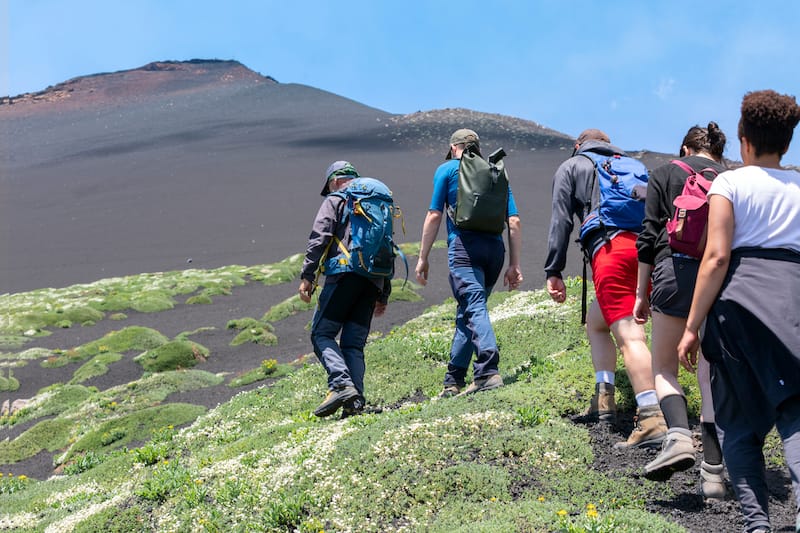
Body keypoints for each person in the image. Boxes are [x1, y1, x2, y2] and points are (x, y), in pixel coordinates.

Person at [677, 90, 800, 533]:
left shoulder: (728, 183)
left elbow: (716, 257)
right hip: (792, 300)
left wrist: (691, 327)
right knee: (795, 409)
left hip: (738, 305)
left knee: (737, 422)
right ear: (786, 143)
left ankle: (757, 524)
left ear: (744, 139)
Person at [545, 129, 666, 449]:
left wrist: (553, 269)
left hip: (610, 249)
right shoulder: (631, 165)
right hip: (645, 252)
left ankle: (652, 417)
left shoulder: (573, 166)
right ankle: (604, 398)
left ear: (578, 144)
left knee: (630, 334)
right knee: (598, 322)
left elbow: (560, 220)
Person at [634, 123, 728, 496]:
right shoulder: (730, 179)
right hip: (719, 280)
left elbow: (649, 234)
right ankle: (714, 475)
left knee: (664, 368)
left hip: (673, 272)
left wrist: (642, 292)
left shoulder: (664, 172)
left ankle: (678, 435)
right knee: (710, 378)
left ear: (685, 150)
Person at [415, 129, 523, 397]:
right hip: (494, 251)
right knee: (469, 309)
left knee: (472, 305)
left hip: (464, 246)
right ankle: (453, 381)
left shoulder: (448, 169)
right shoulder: (494, 172)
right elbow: (514, 221)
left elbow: (433, 215)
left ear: (454, 148)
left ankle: (487, 370)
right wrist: (514, 264)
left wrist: (423, 257)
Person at [298, 161, 391, 418]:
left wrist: (307, 276)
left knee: (321, 334)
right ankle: (355, 402)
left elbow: (320, 237)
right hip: (373, 281)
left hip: (343, 274)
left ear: (335, 181)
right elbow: (387, 247)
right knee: (353, 344)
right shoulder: (378, 203)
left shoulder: (337, 200)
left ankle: (340, 384)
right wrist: (384, 293)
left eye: (329, 186)